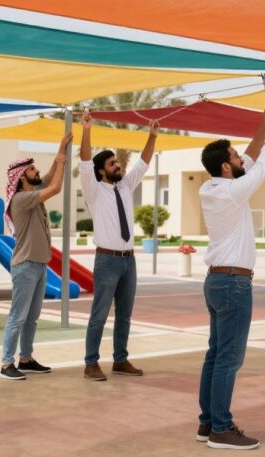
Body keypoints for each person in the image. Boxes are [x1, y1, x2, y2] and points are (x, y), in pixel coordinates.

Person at [196, 105, 265, 450]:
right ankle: (221, 428)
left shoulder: (217, 187)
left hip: (219, 281)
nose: (239, 156)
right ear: (225, 166)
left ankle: (207, 424)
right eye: (233, 155)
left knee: (216, 356)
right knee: (229, 358)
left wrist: (261, 127)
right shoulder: (232, 190)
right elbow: (263, 165)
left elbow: (248, 156)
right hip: (233, 284)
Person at [78, 110, 159, 381]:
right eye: (113, 164)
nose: (118, 166)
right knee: (99, 314)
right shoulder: (93, 189)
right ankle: (91, 364)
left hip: (129, 260)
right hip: (107, 261)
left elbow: (144, 163)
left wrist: (152, 136)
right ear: (102, 171)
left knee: (125, 314)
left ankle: (120, 360)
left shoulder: (124, 186)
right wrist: (87, 129)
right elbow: (86, 161)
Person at [0, 132, 72, 381]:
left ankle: (26, 359)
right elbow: (56, 186)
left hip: (39, 265)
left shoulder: (31, 192)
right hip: (26, 265)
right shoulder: (21, 199)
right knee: (18, 316)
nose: (36, 171)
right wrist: (62, 160)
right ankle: (6, 363)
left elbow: (49, 178)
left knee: (31, 317)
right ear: (21, 177)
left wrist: (61, 148)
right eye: (32, 170)